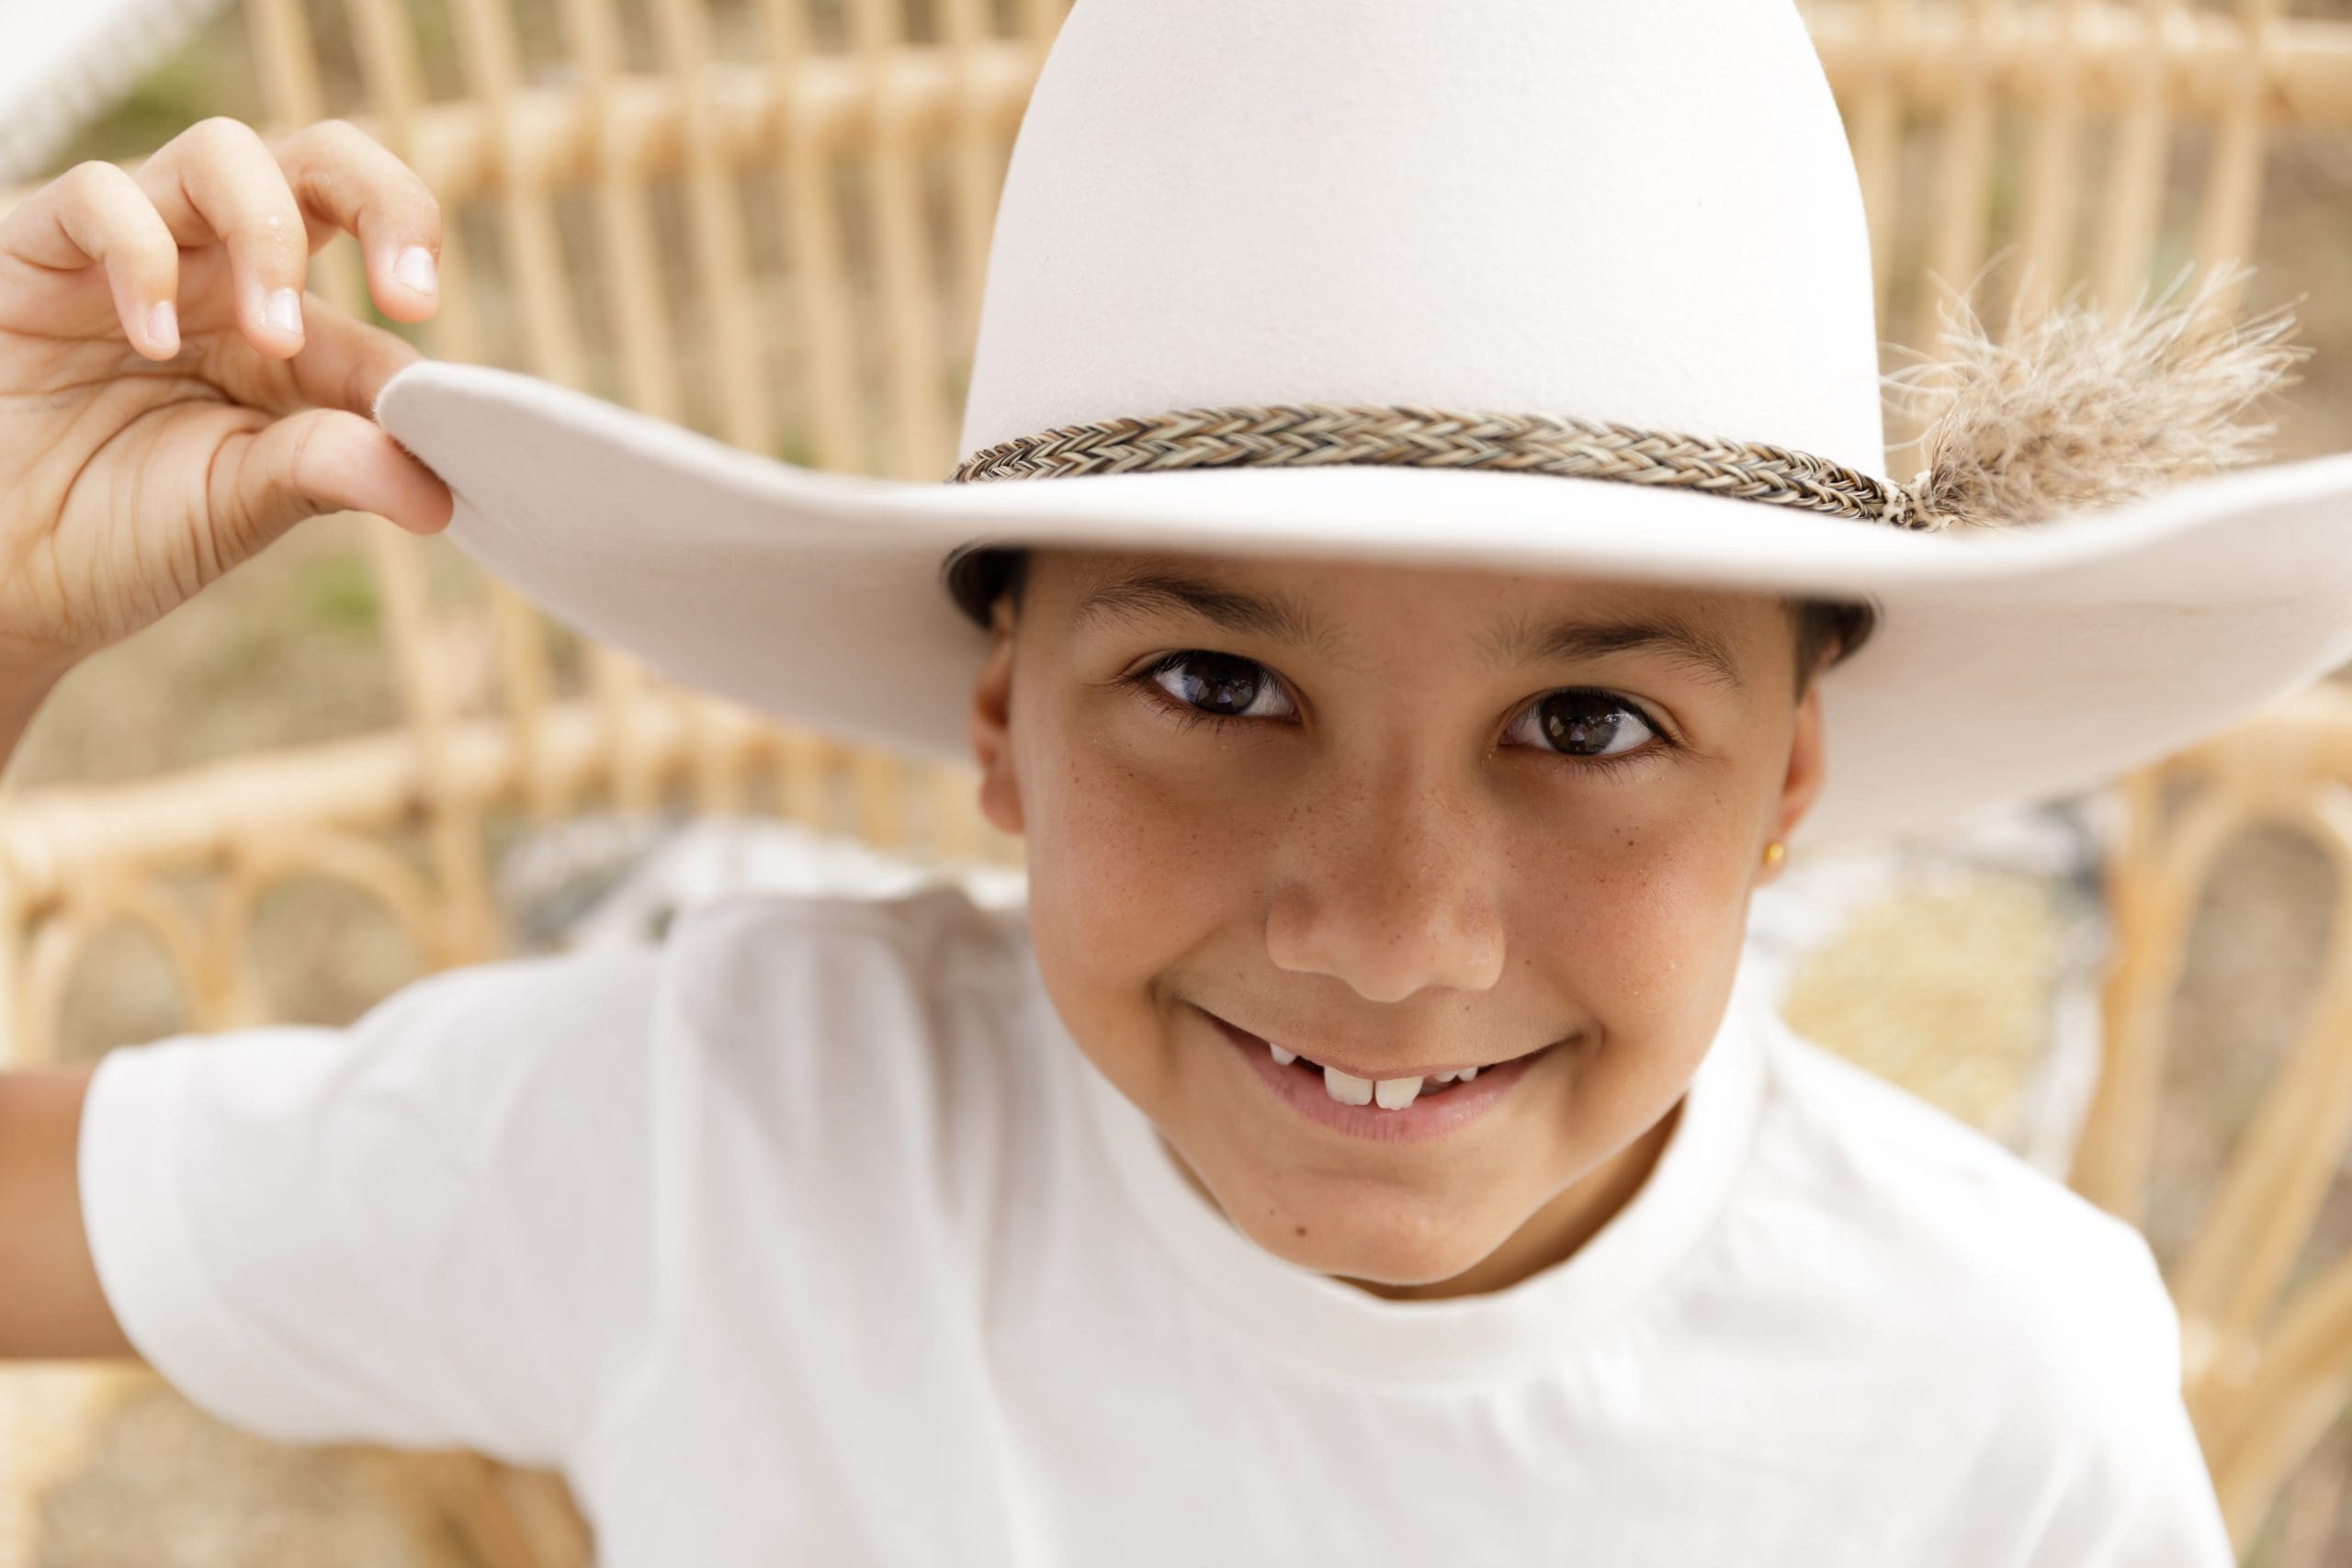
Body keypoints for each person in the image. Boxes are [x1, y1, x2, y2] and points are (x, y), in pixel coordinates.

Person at [6, 1, 2349, 1562]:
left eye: (1586, 724)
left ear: (1786, 781)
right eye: (1220, 682)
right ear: (1002, 717)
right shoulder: (725, 1136)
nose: (1389, 929)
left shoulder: (1999, 1398)